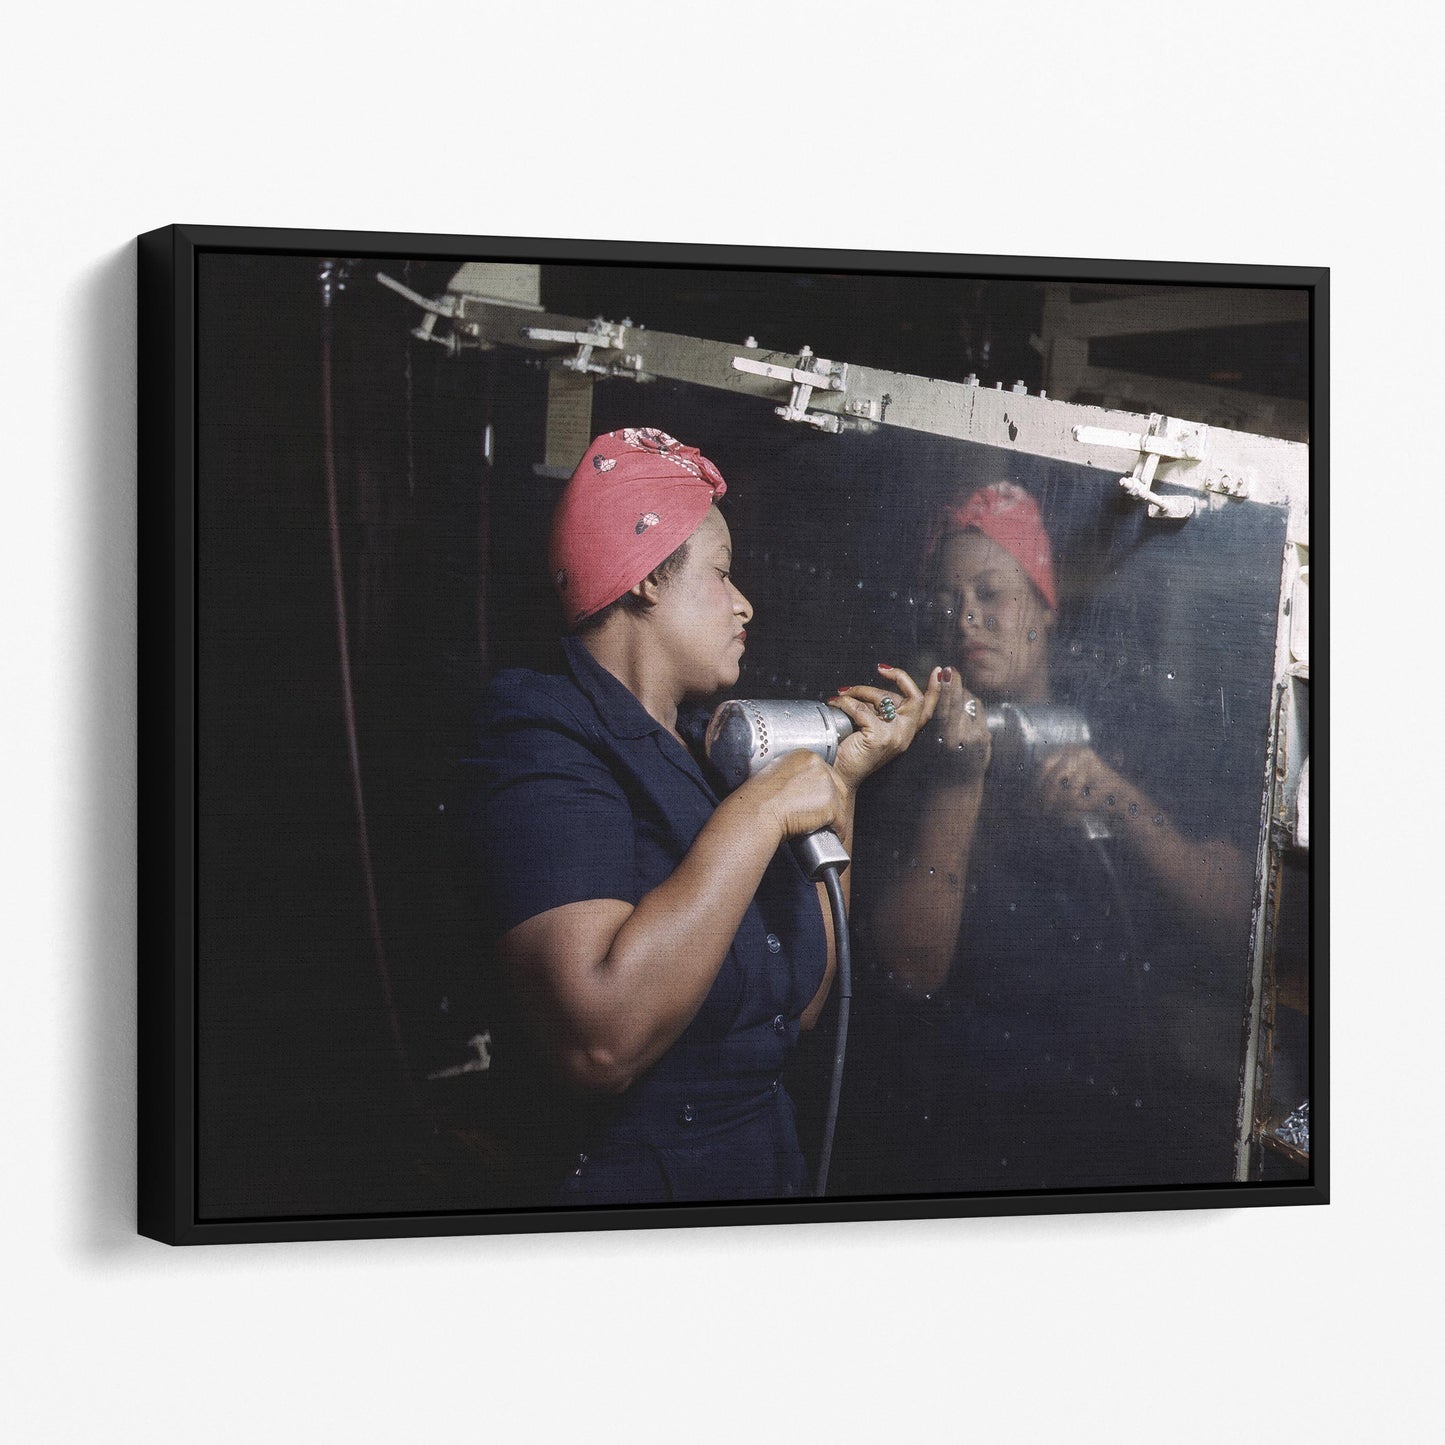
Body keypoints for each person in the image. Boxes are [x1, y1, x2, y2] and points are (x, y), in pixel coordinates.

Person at [467, 427, 940, 1205]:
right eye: (720, 574)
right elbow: (598, 1041)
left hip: (757, 1171)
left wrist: (842, 783)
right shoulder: (538, 735)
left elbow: (807, 1001)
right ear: (649, 577)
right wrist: (758, 813)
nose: (743, 601)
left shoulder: (699, 753)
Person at [844, 481, 1252, 1194]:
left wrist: (1124, 805)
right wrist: (958, 782)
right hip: (958, 1124)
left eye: (991, 592)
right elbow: (909, 966)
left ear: (1042, 602)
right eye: (947, 598)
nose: (966, 614)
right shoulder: (904, 753)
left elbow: (1237, 921)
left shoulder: (1128, 726)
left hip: (1113, 1112)